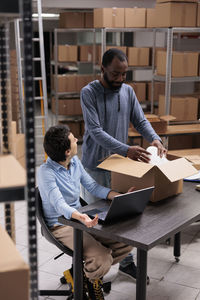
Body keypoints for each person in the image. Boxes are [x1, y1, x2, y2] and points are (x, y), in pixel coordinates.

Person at [80, 48, 167, 283]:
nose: (120, 79)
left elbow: (139, 119)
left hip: (119, 166)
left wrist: (155, 139)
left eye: (124, 74)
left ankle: (126, 263)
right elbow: (96, 131)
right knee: (97, 221)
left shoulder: (127, 91)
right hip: (95, 166)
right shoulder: (88, 93)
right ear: (103, 69)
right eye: (115, 74)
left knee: (123, 219)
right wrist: (127, 149)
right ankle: (95, 270)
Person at [37, 124, 133, 300]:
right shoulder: (46, 172)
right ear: (67, 151)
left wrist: (118, 197)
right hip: (60, 224)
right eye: (73, 139)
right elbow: (59, 205)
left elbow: (93, 186)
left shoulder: (74, 163)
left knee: (126, 242)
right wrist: (80, 216)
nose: (76, 140)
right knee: (102, 258)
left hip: (79, 219)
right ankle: (88, 283)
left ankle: (81, 275)